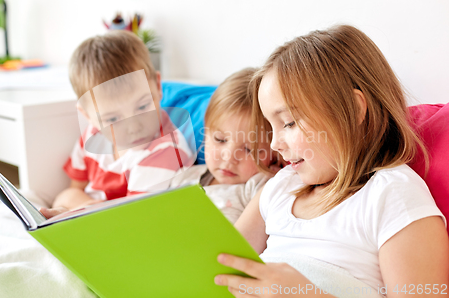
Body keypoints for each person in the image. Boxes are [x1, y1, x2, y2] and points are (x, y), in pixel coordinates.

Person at [214, 25, 449, 296]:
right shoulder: (279, 189)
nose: (275, 144)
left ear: (353, 109)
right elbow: (220, 269)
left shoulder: (392, 196)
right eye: (272, 127)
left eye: (289, 123)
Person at [52, 30, 194, 211]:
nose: (134, 127)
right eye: (112, 119)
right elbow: (75, 188)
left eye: (142, 107)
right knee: (65, 196)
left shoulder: (164, 150)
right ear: (87, 116)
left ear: (158, 86)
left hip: (130, 221)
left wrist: (77, 207)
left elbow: (135, 218)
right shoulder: (92, 134)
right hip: (98, 215)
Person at [169, 68, 282, 223]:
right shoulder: (183, 177)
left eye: (249, 149)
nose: (229, 157)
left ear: (275, 152)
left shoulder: (259, 187)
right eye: (220, 139)